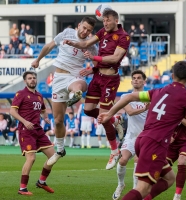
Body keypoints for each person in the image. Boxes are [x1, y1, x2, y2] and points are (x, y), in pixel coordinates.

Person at [98, 61, 186, 200]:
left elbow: (129, 96)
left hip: (142, 139)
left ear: (172, 75)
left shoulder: (158, 91)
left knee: (169, 178)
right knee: (142, 188)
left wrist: (109, 114)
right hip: (155, 143)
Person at [64, 9, 130, 170]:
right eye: (104, 20)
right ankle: (116, 120)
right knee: (87, 110)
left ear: (116, 20)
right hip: (97, 77)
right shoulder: (102, 31)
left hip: (110, 80)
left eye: (108, 20)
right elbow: (86, 43)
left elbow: (115, 58)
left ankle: (114, 150)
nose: (105, 23)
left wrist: (94, 58)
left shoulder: (124, 37)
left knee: (103, 117)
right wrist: (73, 43)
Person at [31, 17, 98, 166]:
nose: (85, 31)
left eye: (89, 30)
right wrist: (38, 60)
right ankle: (60, 149)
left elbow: (97, 64)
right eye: (84, 27)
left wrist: (92, 61)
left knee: (80, 85)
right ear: (79, 25)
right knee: (58, 120)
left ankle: (76, 95)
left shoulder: (91, 45)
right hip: (58, 78)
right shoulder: (67, 33)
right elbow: (49, 46)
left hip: (75, 76)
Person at [10, 71, 56, 196]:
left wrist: (45, 118)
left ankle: (41, 181)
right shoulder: (21, 94)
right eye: (30, 78)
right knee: (31, 158)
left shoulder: (39, 96)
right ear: (25, 81)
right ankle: (22, 188)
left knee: (54, 156)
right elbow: (12, 111)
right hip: (26, 131)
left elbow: (42, 109)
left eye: (34, 78)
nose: (32, 80)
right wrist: (25, 122)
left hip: (38, 130)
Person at [112, 70, 149, 200]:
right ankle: (121, 184)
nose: (136, 80)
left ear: (144, 81)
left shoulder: (150, 97)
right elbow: (130, 112)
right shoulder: (125, 97)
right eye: (134, 78)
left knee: (137, 161)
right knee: (122, 160)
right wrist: (144, 108)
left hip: (145, 137)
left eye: (139, 78)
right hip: (131, 136)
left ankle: (134, 191)